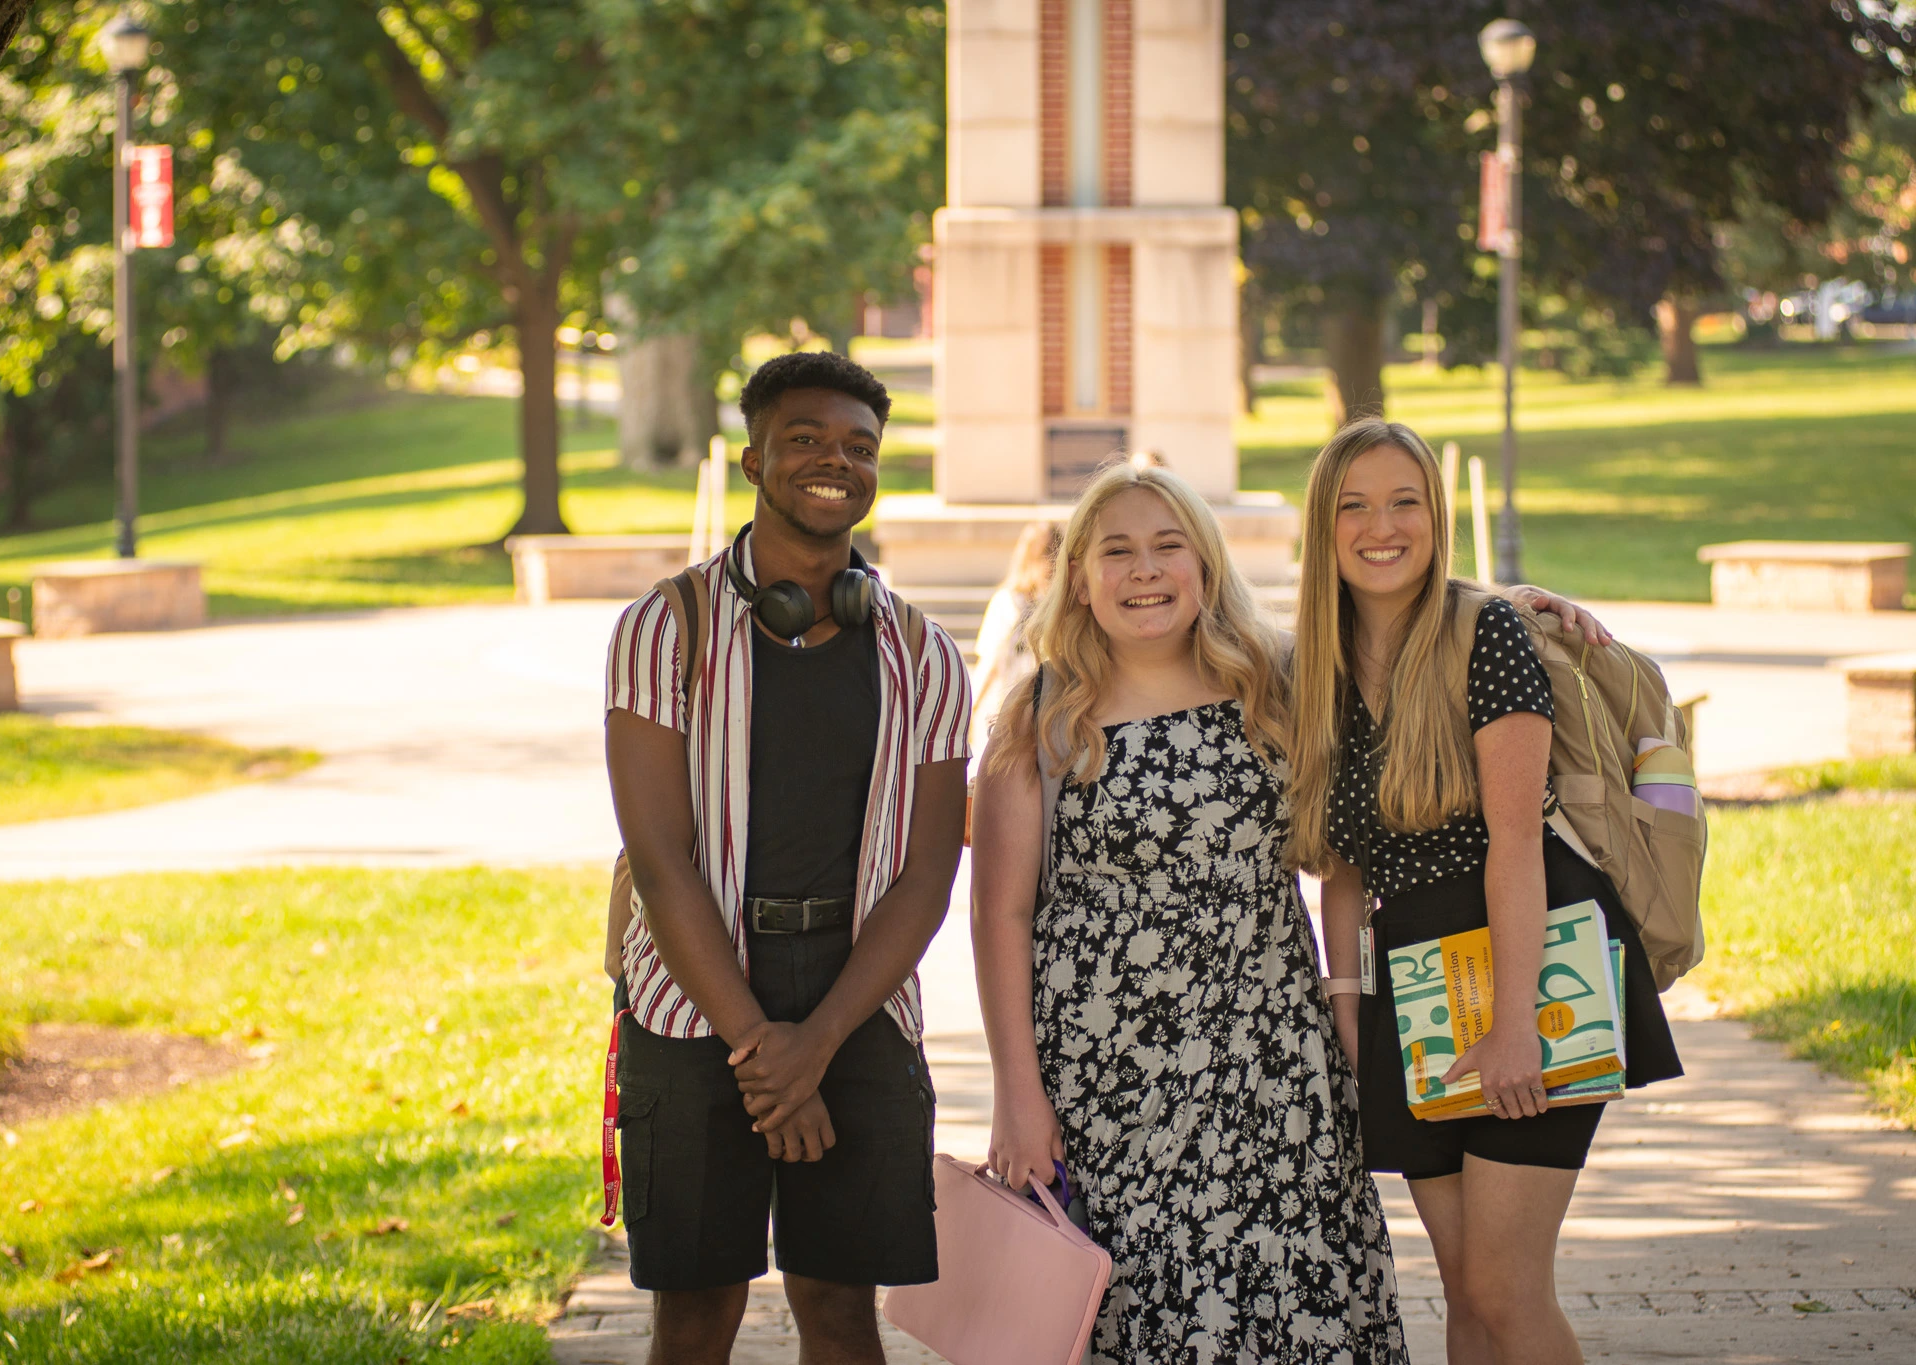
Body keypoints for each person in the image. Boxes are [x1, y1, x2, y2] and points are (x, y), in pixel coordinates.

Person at [969, 457, 1410, 1363]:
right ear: (1078, 579)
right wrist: (1017, 1093)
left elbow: (1413, 636)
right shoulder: (1041, 715)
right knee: (1146, 1320)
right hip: (1108, 1087)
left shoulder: (1275, 684)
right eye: (1116, 551)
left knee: (1294, 1308)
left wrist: (1530, 608)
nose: (1144, 570)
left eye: (1168, 546)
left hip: (1274, 1068)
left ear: (1205, 566)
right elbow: (998, 915)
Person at [1286, 418, 1683, 1365]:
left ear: (1436, 514)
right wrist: (1349, 1011)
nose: (1382, 526)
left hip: (1528, 964)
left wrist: (1514, 1025)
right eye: (1354, 506)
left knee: (1507, 1289)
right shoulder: (1314, 666)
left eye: (1404, 502)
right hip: (1417, 991)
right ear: (1323, 525)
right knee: (1465, 1293)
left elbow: (1515, 846)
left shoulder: (1487, 634)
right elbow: (1343, 867)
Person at [604, 350, 972, 1365]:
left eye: (859, 446)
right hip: (689, 1003)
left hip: (859, 1001)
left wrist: (816, 1045)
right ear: (753, 460)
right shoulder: (663, 628)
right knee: (693, 1319)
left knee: (843, 1313)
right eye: (804, 439)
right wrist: (764, 1051)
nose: (834, 461)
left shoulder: (926, 655)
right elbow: (661, 861)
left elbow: (927, 877)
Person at [968, 520, 1063, 766]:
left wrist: (971, 710)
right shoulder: (1066, 605)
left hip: (1013, 709)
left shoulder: (1007, 602)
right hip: (1053, 711)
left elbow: (990, 664)